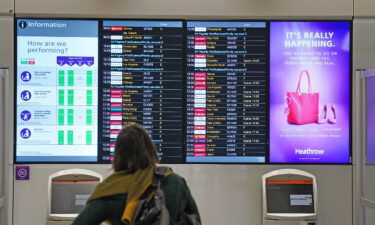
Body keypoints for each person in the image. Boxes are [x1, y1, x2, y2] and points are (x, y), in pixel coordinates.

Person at [71, 123, 200, 225]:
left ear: (118, 155)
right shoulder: (175, 182)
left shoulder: (110, 190)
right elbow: (195, 220)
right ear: (150, 150)